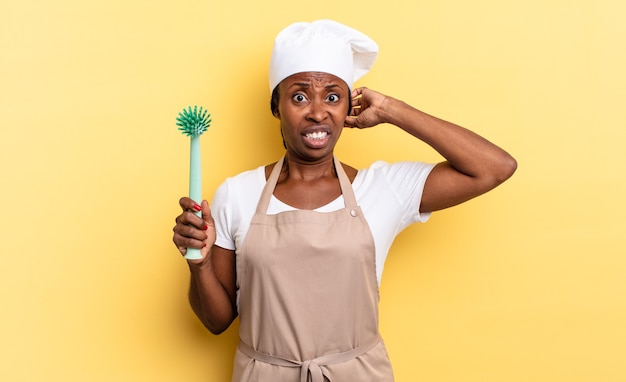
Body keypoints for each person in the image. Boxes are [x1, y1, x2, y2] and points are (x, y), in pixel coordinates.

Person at [172, 19, 516, 382]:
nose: (317, 112)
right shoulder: (237, 194)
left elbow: (495, 167)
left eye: (333, 96)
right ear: (276, 106)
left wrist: (390, 110)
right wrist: (201, 263)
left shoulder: (383, 189)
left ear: (348, 108)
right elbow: (216, 322)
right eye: (299, 96)